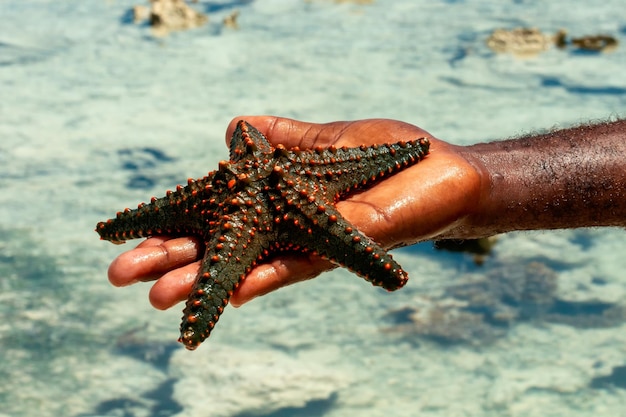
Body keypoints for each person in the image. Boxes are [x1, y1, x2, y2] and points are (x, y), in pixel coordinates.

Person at [107, 116, 626, 310]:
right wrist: (476, 178)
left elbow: (247, 134)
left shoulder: (258, 178)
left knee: (214, 276)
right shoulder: (293, 176)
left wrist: (475, 178)